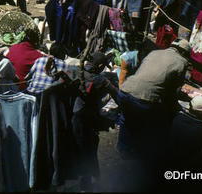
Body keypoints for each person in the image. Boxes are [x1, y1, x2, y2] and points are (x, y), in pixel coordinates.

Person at [116, 39, 191, 186]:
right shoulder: (181, 63)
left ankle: (123, 148)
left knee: (126, 118)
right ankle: (144, 160)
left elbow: (145, 75)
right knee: (153, 122)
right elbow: (172, 93)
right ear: (184, 53)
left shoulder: (155, 52)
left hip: (125, 91)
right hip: (143, 100)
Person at [72, 52, 118, 190]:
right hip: (86, 119)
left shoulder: (76, 72)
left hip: (73, 116)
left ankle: (82, 178)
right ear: (99, 66)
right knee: (88, 149)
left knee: (80, 148)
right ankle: (86, 182)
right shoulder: (100, 80)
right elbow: (116, 94)